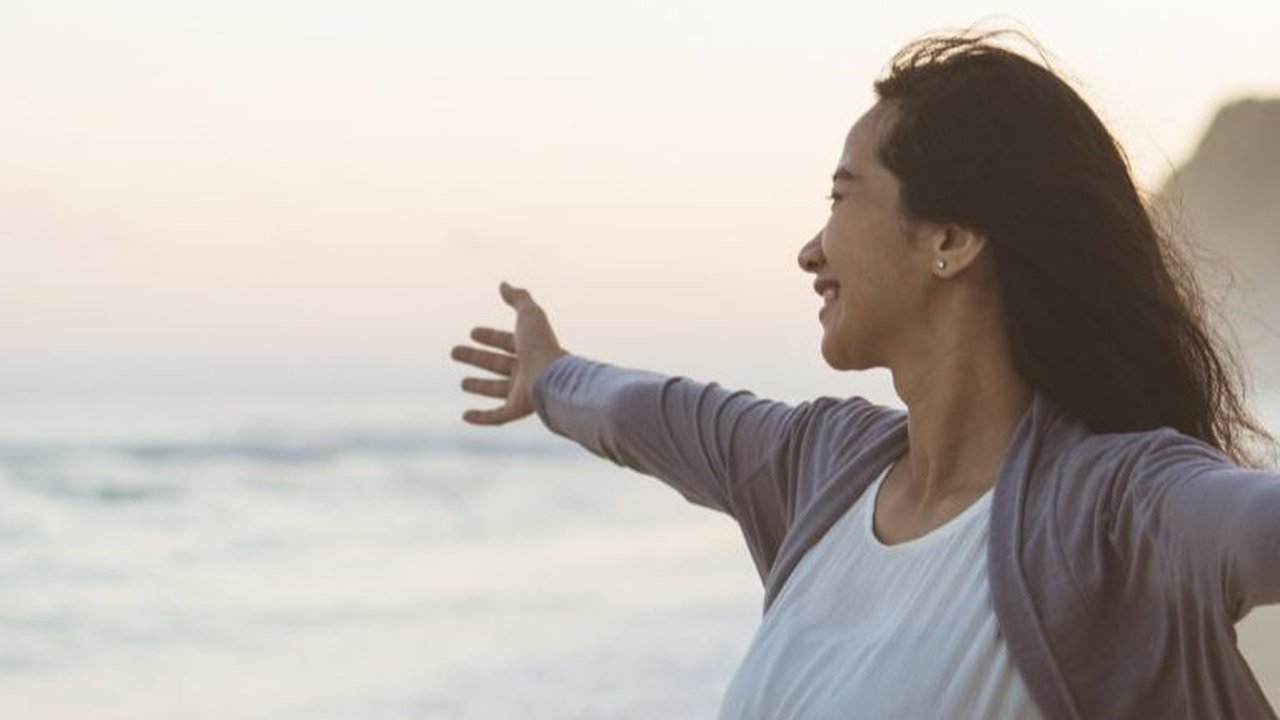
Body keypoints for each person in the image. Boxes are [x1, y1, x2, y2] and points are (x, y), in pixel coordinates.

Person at [449, 29, 1280, 720]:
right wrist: (550, 376)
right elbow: (651, 412)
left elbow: (1254, 525)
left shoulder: (1110, 507)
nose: (812, 250)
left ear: (949, 240)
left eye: (842, 199)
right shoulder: (824, 467)